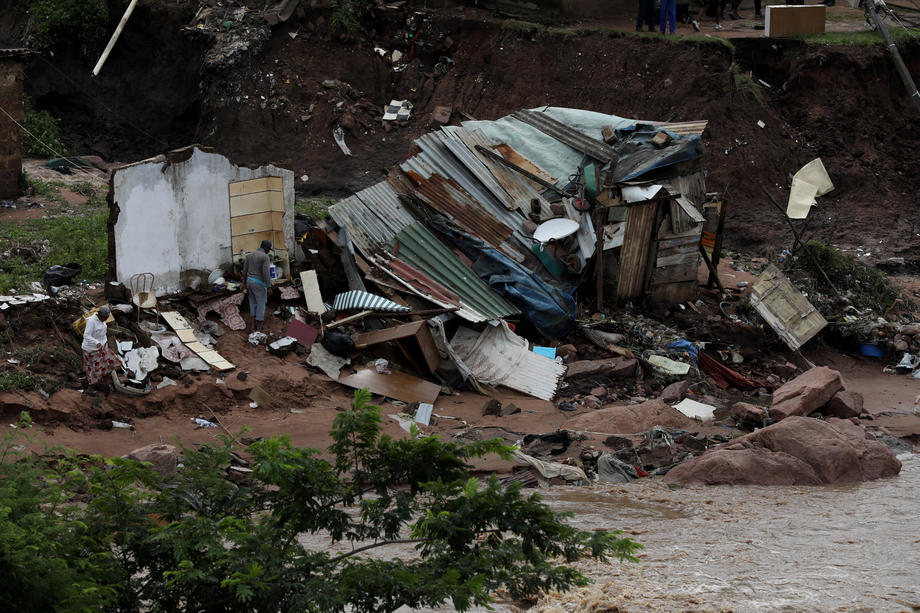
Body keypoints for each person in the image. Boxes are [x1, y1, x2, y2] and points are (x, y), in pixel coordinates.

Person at [81, 306, 119, 392]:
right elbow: (86, 335)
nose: (106, 319)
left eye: (107, 317)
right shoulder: (91, 321)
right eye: (105, 317)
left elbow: (103, 333)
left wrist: (104, 342)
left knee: (110, 363)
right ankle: (90, 389)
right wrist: (96, 342)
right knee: (94, 369)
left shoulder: (103, 321)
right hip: (91, 350)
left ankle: (106, 383)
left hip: (102, 347)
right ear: (99, 315)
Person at [243, 239, 273, 331]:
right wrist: (269, 286)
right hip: (259, 283)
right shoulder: (265, 257)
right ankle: (259, 328)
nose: (269, 251)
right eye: (269, 249)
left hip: (249, 282)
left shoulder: (249, 255)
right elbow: (266, 273)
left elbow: (244, 270)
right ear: (265, 247)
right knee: (261, 304)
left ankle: (252, 326)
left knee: (253, 303)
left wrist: (244, 283)